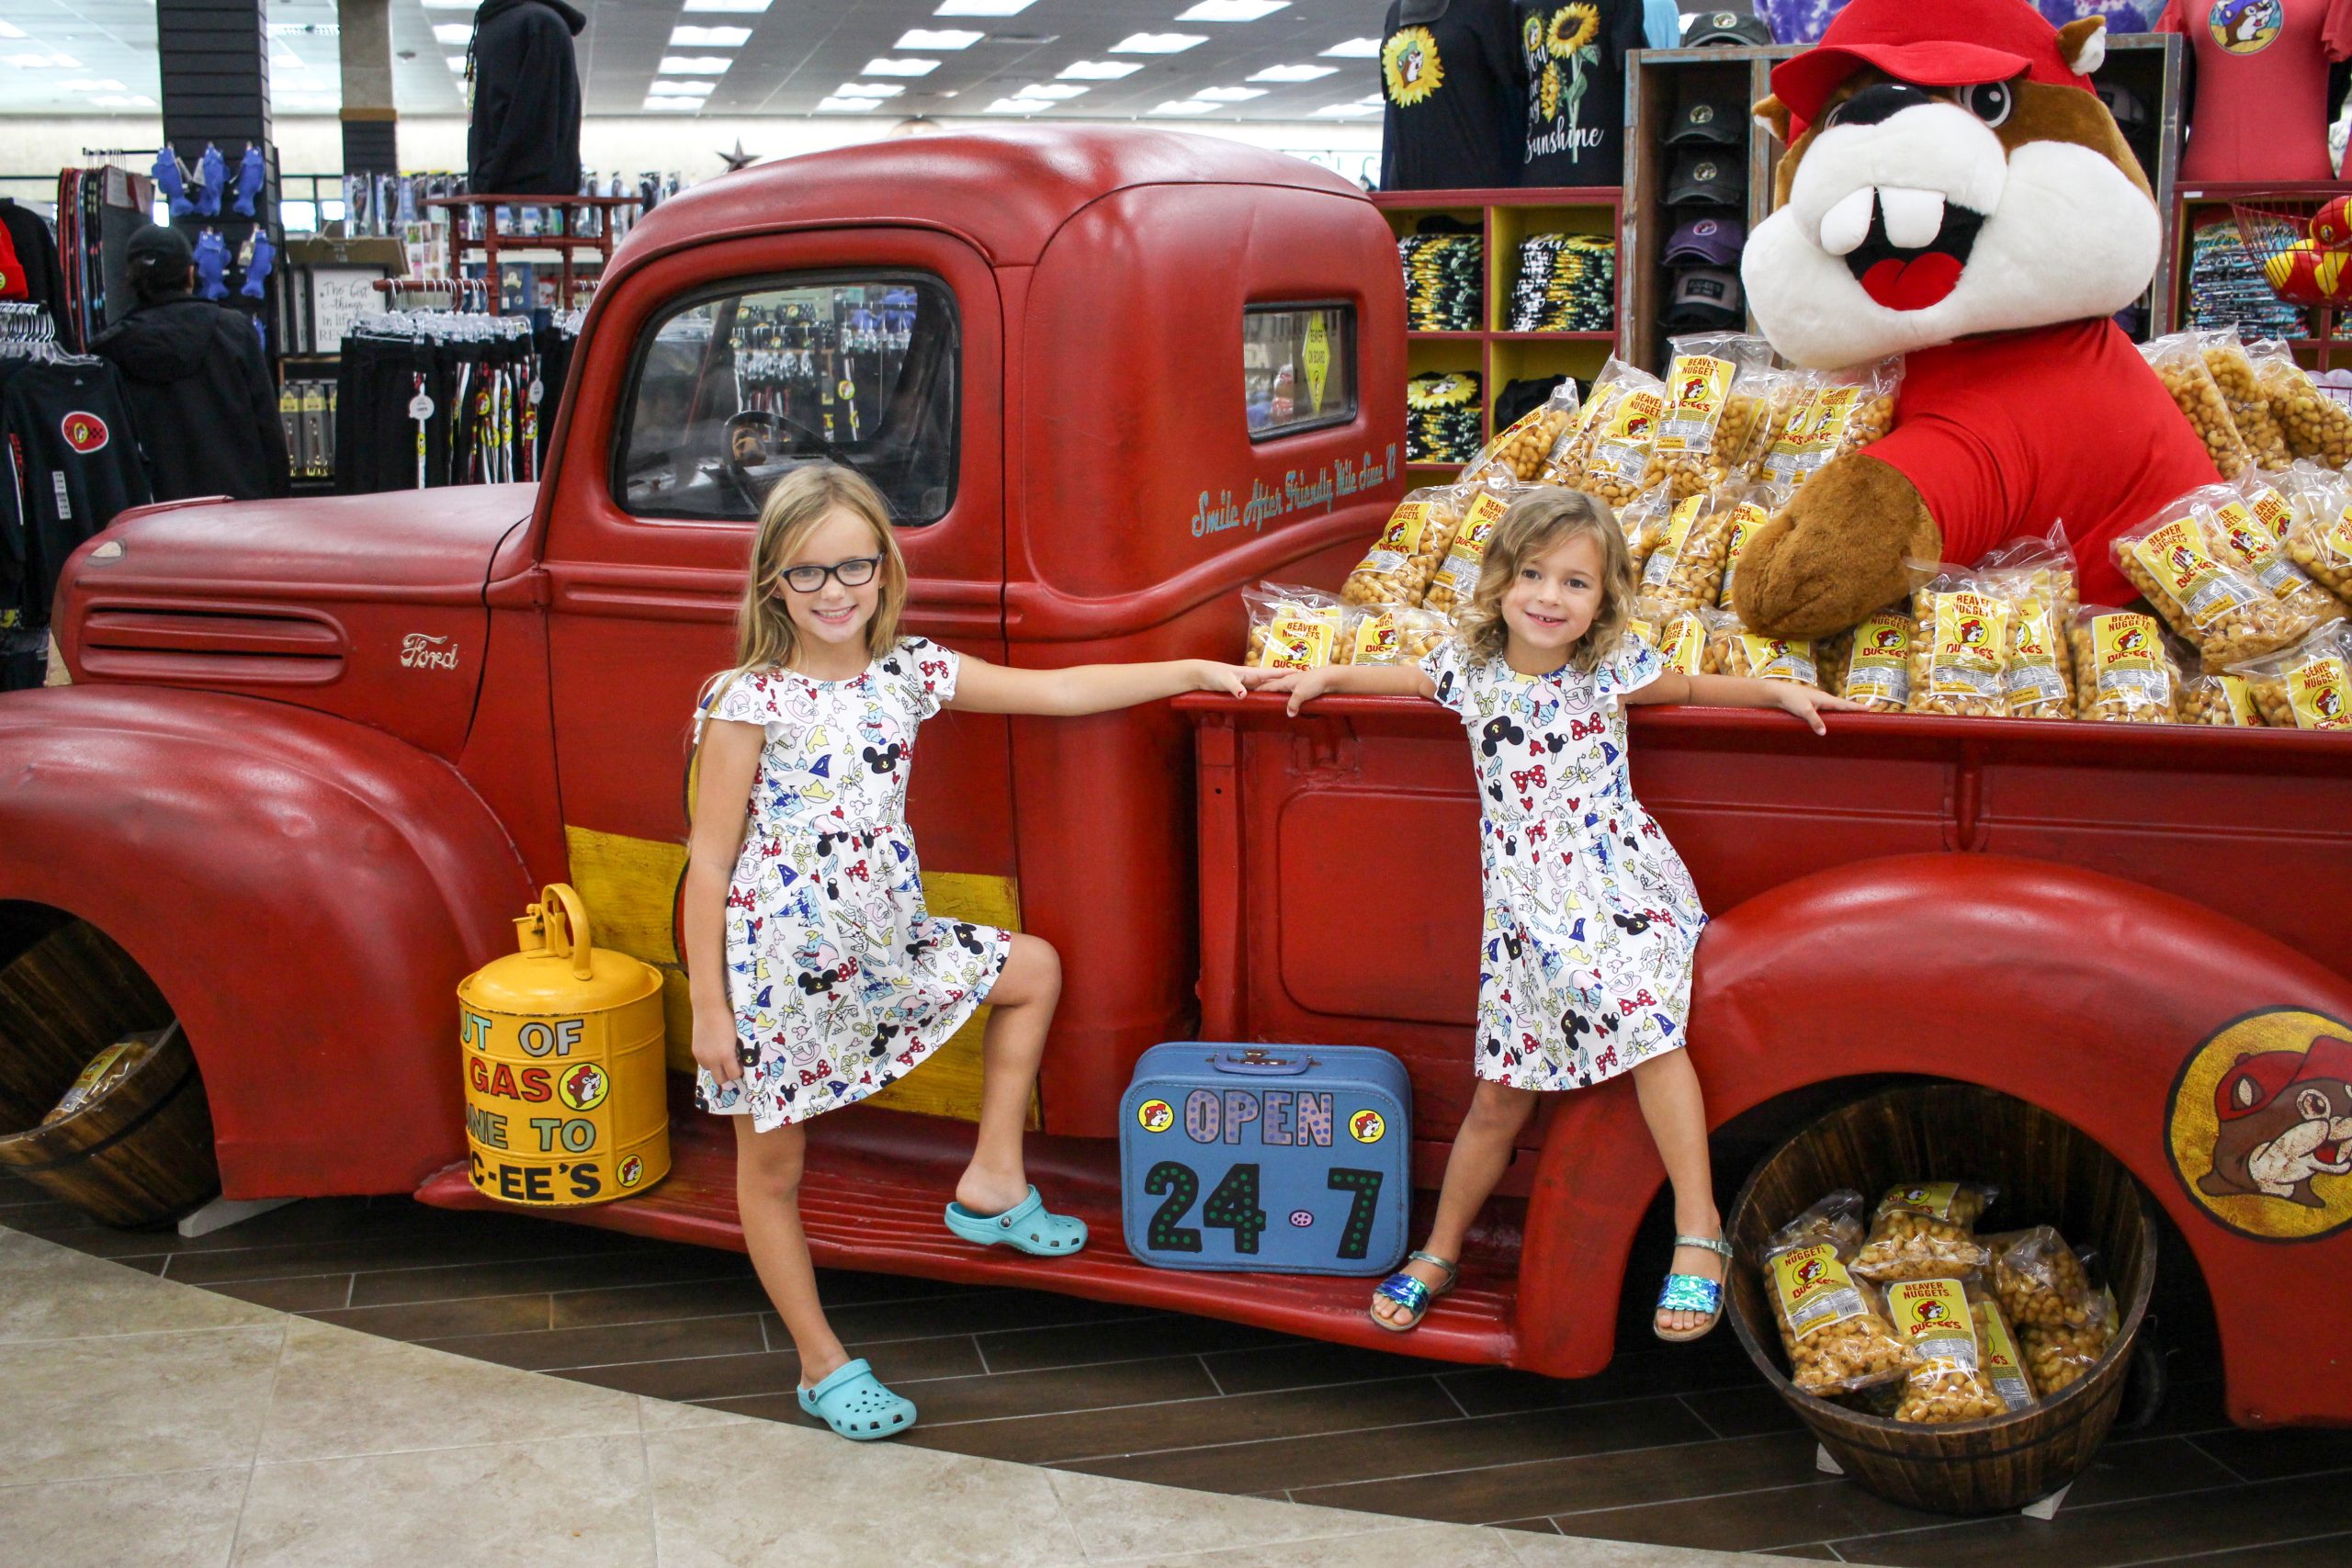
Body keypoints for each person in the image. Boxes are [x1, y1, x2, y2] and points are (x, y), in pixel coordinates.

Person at [684, 462, 1275, 1439]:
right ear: (771, 584)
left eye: (853, 568)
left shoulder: (908, 673)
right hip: (776, 971)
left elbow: (1063, 690)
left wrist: (1189, 672)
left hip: (886, 942)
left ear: (884, 568)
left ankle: (992, 1182)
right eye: (807, 574)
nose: (834, 592)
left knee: (1030, 969)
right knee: (773, 1171)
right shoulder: (749, 699)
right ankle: (820, 1363)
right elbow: (708, 865)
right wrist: (714, 1009)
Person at [1263, 489, 1860, 1342]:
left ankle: (1700, 1232)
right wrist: (1328, 674)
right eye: (1533, 573)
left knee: (1654, 1037)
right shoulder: (1468, 671)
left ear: (1604, 598)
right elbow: (1403, 676)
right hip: (1523, 922)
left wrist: (1778, 693)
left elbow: (1688, 687)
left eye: (1575, 583)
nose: (1550, 597)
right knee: (1499, 1096)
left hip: (1617, 893)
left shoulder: (1608, 669)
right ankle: (1441, 1248)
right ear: (1501, 579)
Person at [93, 224, 288, 502]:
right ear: (191, 272)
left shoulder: (109, 350)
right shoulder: (234, 331)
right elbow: (268, 430)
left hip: (152, 517)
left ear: (130, 278)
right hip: (239, 511)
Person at [465, 0, 586, 196]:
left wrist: (487, 173)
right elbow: (537, 112)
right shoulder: (545, 24)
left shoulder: (488, 27)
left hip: (490, 179)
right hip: (535, 180)